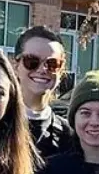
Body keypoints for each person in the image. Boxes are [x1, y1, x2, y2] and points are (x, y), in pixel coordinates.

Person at [14, 26, 75, 158]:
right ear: (16, 66)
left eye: (52, 63)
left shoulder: (68, 136)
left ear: (61, 71)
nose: (42, 69)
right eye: (32, 61)